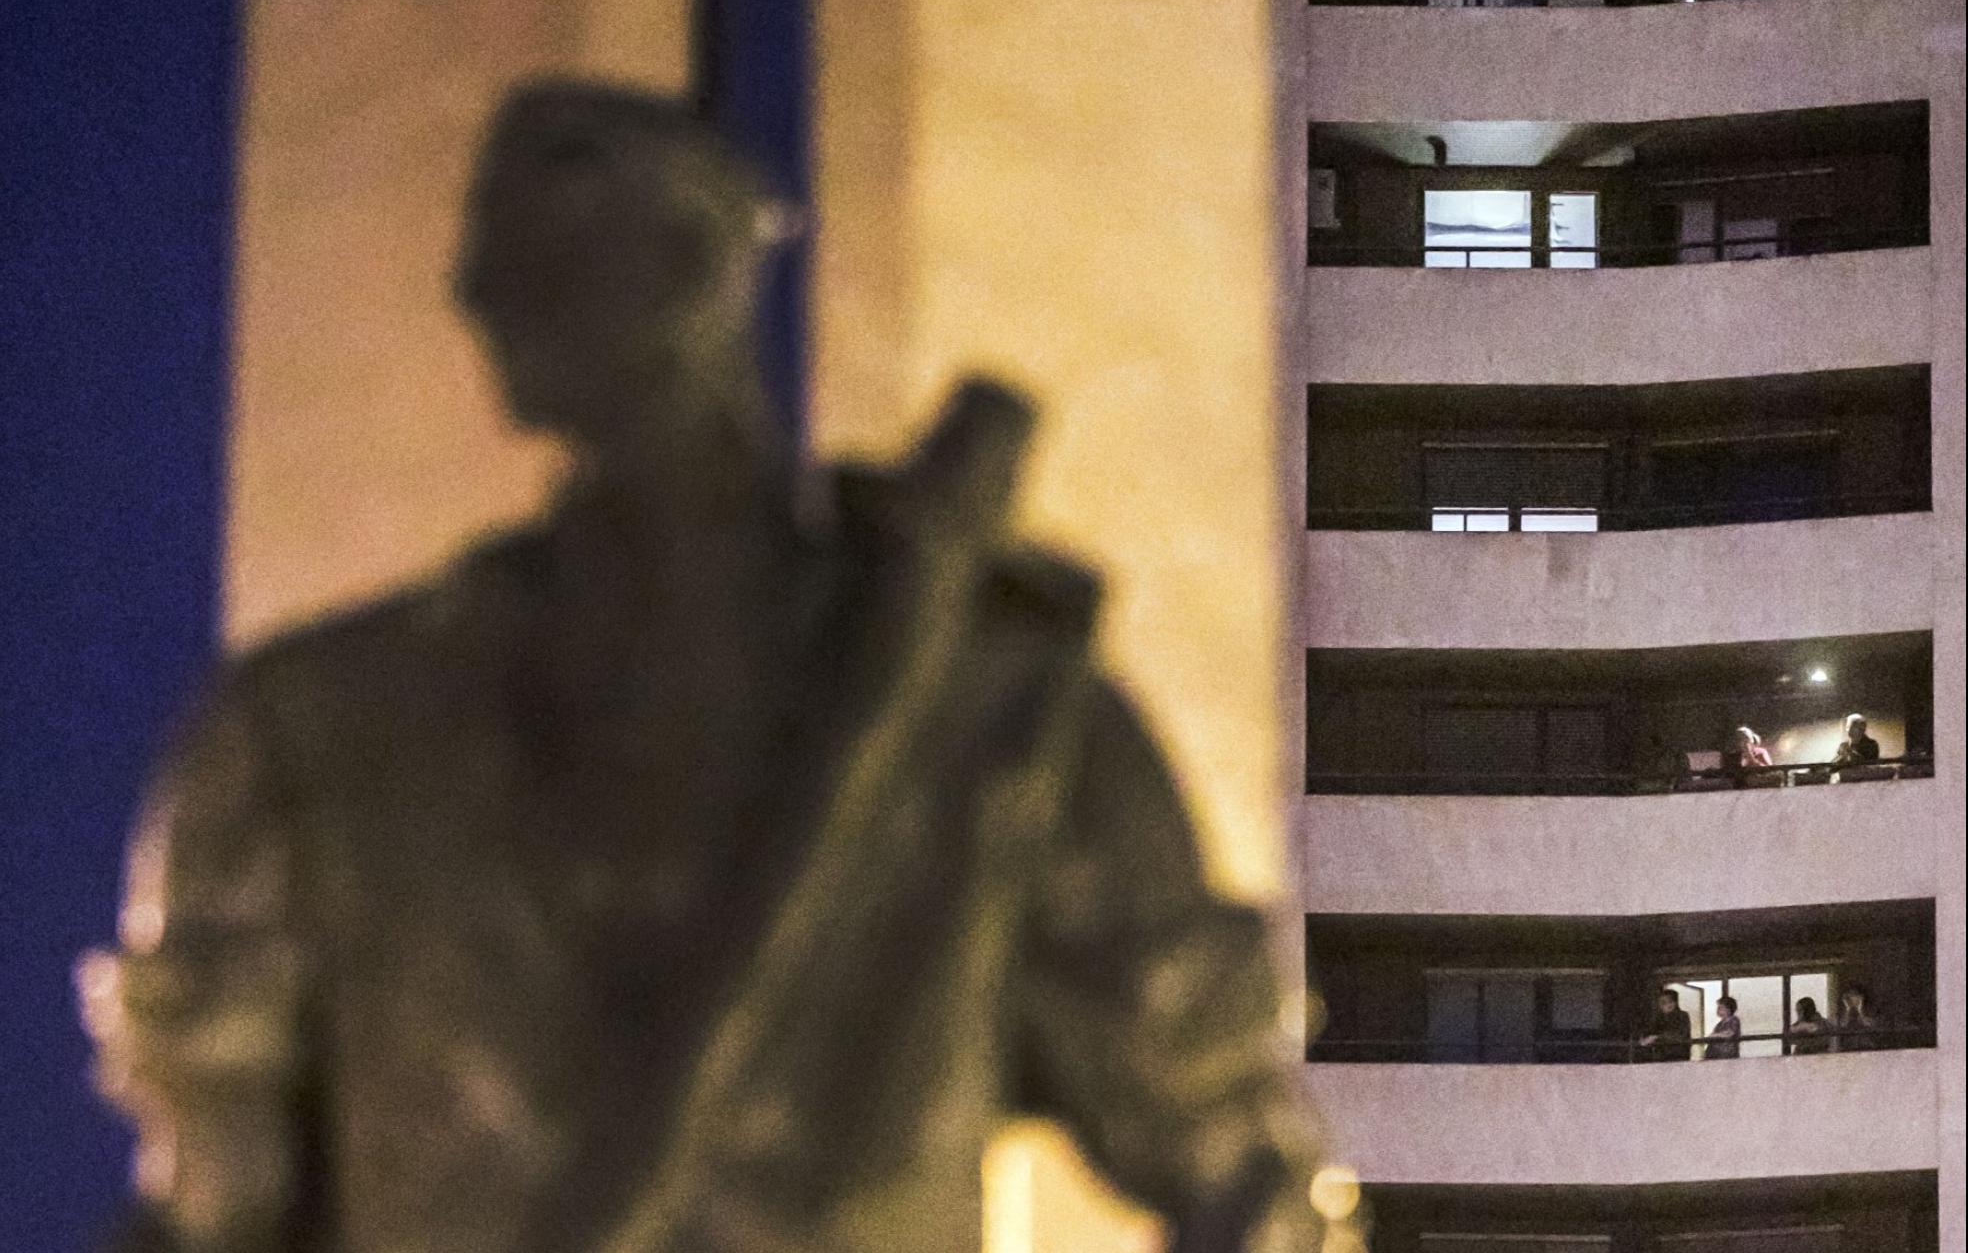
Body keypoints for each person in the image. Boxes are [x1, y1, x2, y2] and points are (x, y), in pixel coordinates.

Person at [75, 82, 1324, 1253]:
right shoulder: (312, 729)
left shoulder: (1000, 716)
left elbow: (1241, 1173)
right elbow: (208, 1200)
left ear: (689, 266)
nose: (473, 289)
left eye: (534, 245)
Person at [1639, 989, 1695, 1062]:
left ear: (1675, 1003)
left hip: (1679, 1055)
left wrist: (1657, 1037)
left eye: (1669, 1002)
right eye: (1662, 1003)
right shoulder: (1658, 1018)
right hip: (1661, 1056)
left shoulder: (1682, 1016)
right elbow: (1651, 1031)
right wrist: (1644, 1037)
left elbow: (1681, 1035)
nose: (1667, 1005)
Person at [1834, 984, 1881, 1052]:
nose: (1851, 998)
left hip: (1867, 1047)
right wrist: (1848, 1009)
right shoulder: (1842, 1012)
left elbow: (1869, 1024)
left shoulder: (1871, 1010)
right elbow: (1842, 1025)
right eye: (1849, 996)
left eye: (1854, 995)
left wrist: (1860, 1010)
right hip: (1848, 1048)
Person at [1704, 995, 1743, 1060]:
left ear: (1728, 1009)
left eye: (1721, 1007)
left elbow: (1729, 1033)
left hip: (1727, 1055)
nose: (1718, 1009)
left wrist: (1714, 1035)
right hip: (1716, 1055)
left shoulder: (1734, 1020)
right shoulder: (1719, 1024)